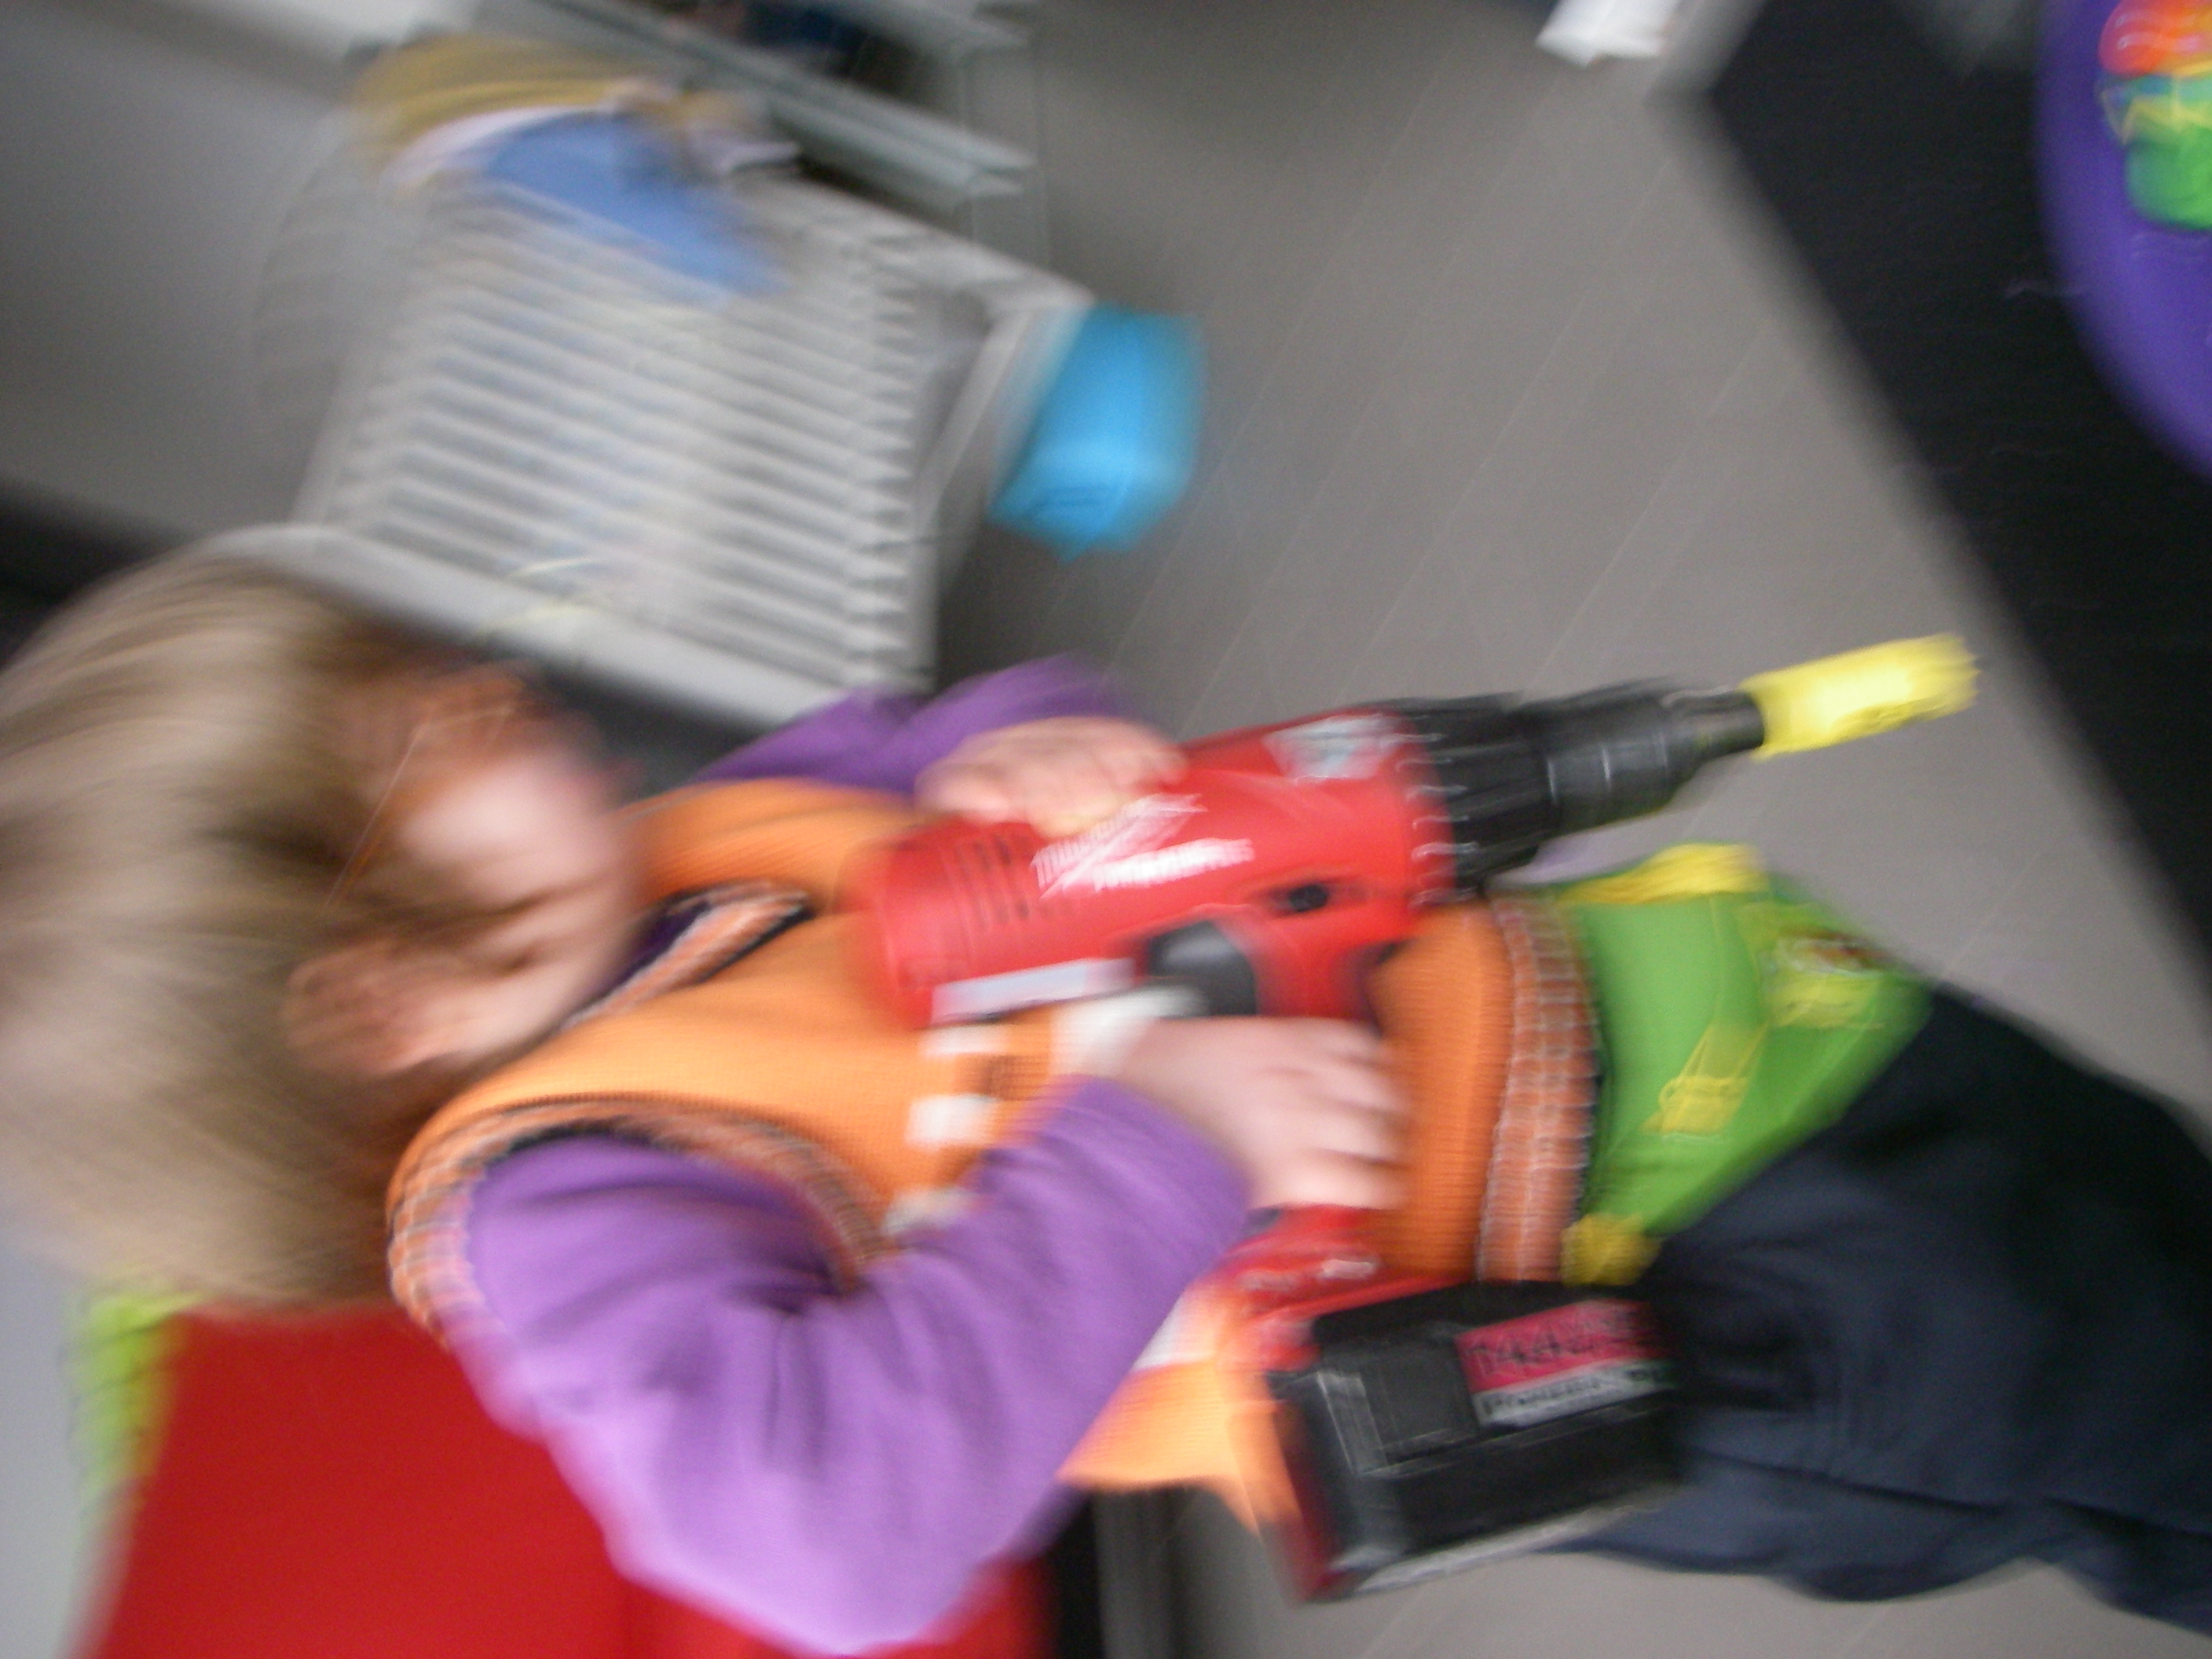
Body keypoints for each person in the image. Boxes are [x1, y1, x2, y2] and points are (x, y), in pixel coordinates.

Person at [0, 549, 1405, 1654]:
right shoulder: (557, 1213)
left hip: (1425, 979)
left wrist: (1025, 750)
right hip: (1408, 1288)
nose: (494, 683)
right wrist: (1163, 1144)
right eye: (428, 732)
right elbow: (828, 1545)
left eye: (432, 665)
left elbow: (979, 728)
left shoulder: (690, 850)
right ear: (381, 1003)